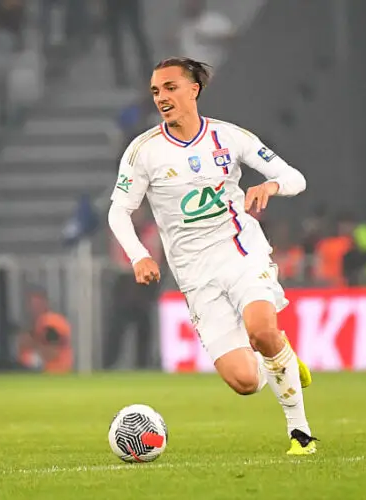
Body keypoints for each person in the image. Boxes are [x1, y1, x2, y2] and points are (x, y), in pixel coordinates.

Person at [108, 57, 316, 455]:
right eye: (155, 91)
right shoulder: (143, 152)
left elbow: (295, 178)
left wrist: (269, 187)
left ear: (193, 90)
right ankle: (281, 354)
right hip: (194, 275)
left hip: (240, 252)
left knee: (259, 328)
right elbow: (118, 211)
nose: (162, 97)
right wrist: (139, 256)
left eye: (170, 87)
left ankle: (300, 433)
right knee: (245, 381)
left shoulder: (229, 137)